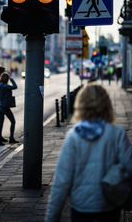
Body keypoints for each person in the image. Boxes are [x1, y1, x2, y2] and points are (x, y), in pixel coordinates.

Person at [45, 83, 132, 222]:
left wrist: (52, 217)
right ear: (107, 105)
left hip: (81, 206)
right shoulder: (117, 134)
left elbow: (61, 181)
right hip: (109, 204)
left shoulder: (73, 137)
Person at [0, 72, 18, 145]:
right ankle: (11, 138)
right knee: (13, 121)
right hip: (4, 106)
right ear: (7, 79)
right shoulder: (5, 86)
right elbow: (15, 86)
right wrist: (12, 79)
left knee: (0, 123)